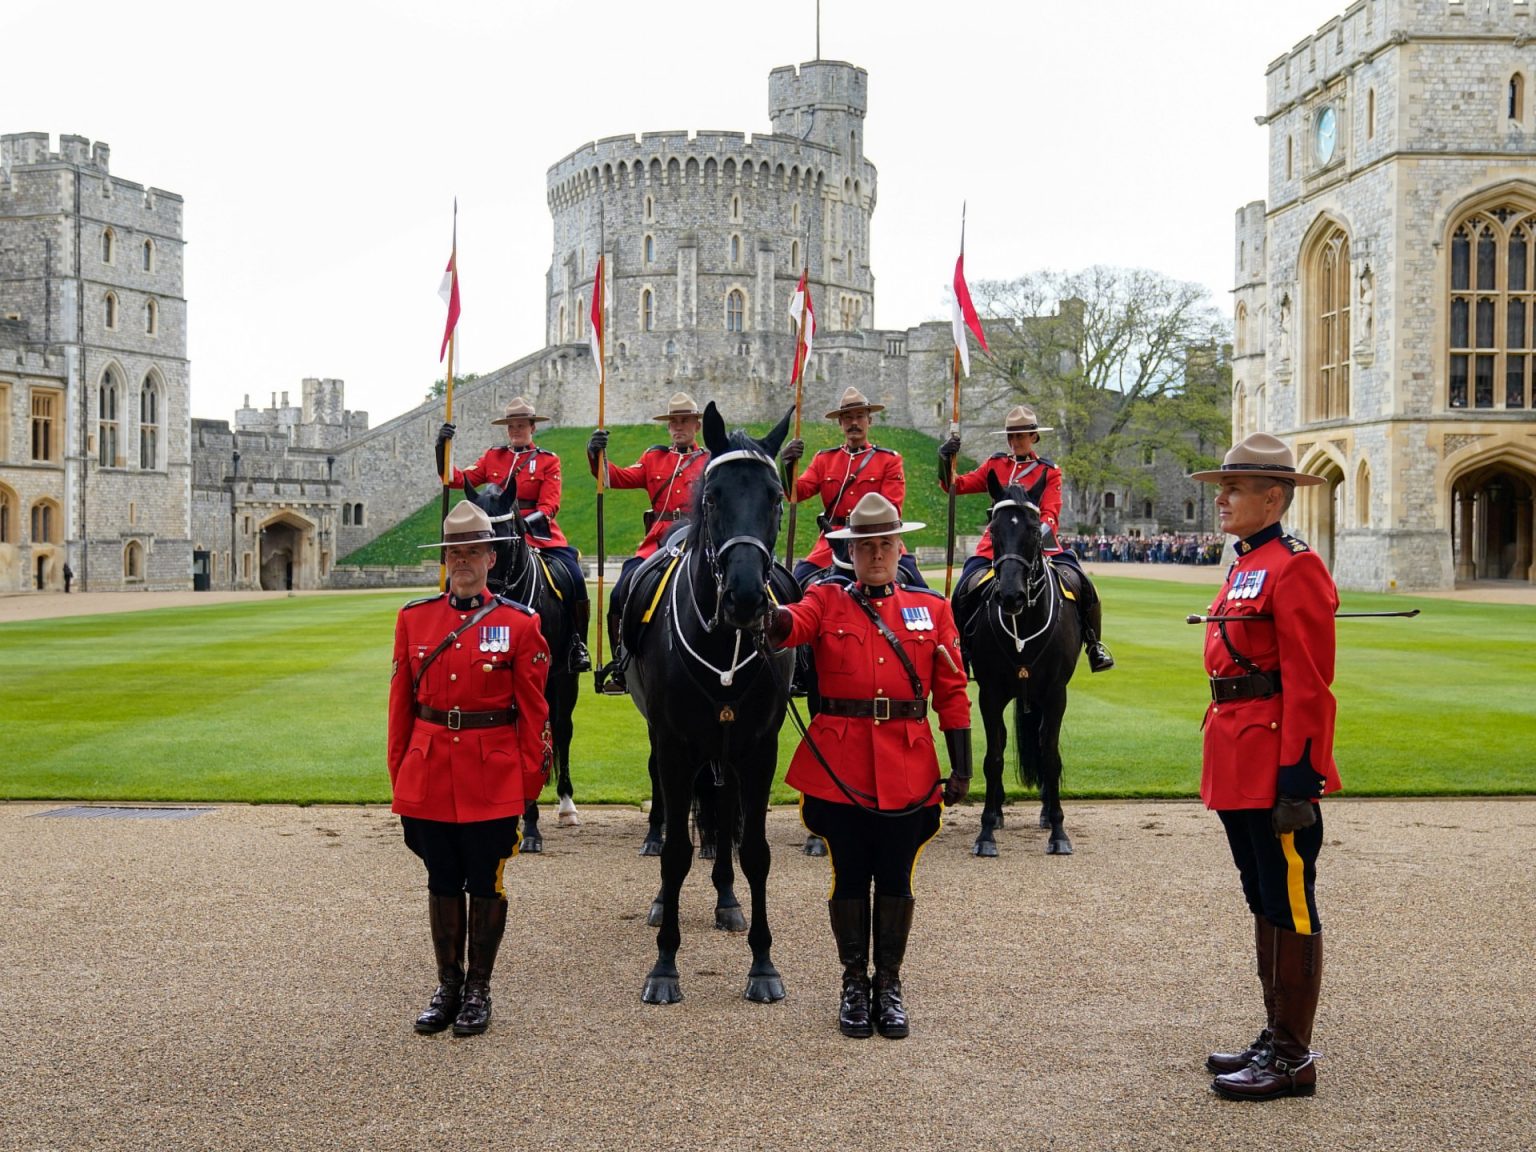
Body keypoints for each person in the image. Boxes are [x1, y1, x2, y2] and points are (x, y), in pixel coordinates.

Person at [762, 492, 971, 1041]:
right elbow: (793, 624)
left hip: (909, 763)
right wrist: (765, 613)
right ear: (849, 553)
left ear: (900, 548)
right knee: (850, 875)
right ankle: (854, 983)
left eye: (885, 544)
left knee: (898, 878)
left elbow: (952, 692)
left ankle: (890, 985)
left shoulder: (935, 609)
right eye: (865, 547)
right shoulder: (826, 601)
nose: (876, 554)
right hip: (842, 764)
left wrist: (964, 765)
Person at [1189, 432, 1339, 1101]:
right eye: (1222, 486)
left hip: (1276, 757)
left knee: (1290, 903)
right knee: (1261, 897)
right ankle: (1273, 1030)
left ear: (1272, 497)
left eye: (1234, 488)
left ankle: (1293, 1056)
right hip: (1237, 751)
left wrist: (1301, 776)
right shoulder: (1249, 562)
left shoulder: (1295, 566)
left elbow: (1310, 682)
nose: (1220, 498)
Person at [387, 500, 552, 1037]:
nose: (463, 561)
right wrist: (401, 772)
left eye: (473, 552)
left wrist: (528, 784)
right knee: (440, 878)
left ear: (490, 559)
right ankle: (447, 986)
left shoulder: (519, 624)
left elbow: (534, 711)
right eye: (454, 552)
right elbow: (399, 707)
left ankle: (479, 988)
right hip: (430, 769)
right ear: (446, 560)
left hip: (493, 772)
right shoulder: (415, 618)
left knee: (484, 879)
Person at [938, 404, 1114, 672]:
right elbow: (955, 486)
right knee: (964, 588)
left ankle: (1093, 644)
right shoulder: (995, 464)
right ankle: (961, 647)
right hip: (995, 548)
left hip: (1038, 544)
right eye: (1011, 436)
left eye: (1020, 435)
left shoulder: (1049, 470)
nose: (1015, 441)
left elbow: (1051, 513)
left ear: (1034, 436)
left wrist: (1031, 540)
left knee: (1084, 584)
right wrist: (945, 460)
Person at [435, 398, 591, 672]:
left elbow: (549, 505)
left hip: (537, 534)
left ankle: (578, 643)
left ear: (532, 427)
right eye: (511, 426)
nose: (516, 430)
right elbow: (458, 479)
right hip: (493, 536)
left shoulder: (547, 460)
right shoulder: (492, 457)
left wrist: (523, 526)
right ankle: (449, 634)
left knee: (573, 576)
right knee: (454, 580)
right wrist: (441, 450)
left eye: (521, 425)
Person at [585, 391, 710, 694]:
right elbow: (614, 478)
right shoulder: (654, 458)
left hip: (699, 538)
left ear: (697, 426)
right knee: (621, 592)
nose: (678, 427)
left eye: (685, 421)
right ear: (668, 427)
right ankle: (621, 661)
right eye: (674, 422)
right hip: (660, 541)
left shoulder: (709, 460)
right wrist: (596, 455)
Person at [779, 387, 928, 589]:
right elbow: (796, 493)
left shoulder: (888, 460)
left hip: (877, 538)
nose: (854, 423)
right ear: (840, 423)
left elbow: (892, 508)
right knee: (794, 586)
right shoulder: (824, 459)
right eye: (848, 418)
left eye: (860, 417)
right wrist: (787, 465)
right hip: (832, 543)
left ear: (869, 420)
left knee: (920, 589)